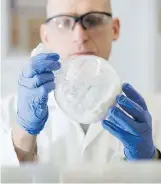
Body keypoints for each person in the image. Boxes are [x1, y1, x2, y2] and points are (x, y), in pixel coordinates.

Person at [1, 0, 161, 166]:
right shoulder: (5, 113)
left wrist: (150, 162)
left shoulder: (156, 113)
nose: (80, 37)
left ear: (114, 29)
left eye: (93, 20)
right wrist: (23, 133)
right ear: (45, 35)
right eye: (63, 22)